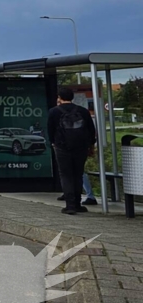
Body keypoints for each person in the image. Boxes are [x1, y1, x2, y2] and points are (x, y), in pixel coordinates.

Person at [48, 87, 97, 215]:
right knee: (77, 174)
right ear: (72, 97)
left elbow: (50, 130)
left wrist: (54, 143)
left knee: (66, 175)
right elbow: (91, 130)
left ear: (59, 97)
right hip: (81, 148)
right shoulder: (83, 111)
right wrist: (91, 146)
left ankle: (70, 206)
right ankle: (77, 204)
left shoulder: (53, 112)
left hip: (62, 147)